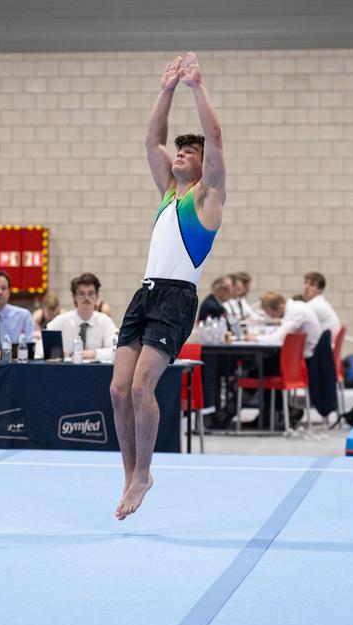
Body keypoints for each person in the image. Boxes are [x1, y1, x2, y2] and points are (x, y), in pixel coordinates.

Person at [110, 52, 225, 520]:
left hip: (177, 297)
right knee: (118, 390)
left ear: (202, 165)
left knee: (142, 388)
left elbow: (215, 138)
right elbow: (151, 139)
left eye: (189, 152)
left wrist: (196, 87)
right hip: (145, 293)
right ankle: (130, 470)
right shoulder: (167, 193)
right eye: (179, 150)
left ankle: (144, 473)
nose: (179, 153)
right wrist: (166, 90)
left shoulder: (207, 196)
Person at [244, 291, 322, 427]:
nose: (272, 318)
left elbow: (277, 338)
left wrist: (255, 338)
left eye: (271, 314)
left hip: (305, 363)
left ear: (280, 307)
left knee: (259, 371)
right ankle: (273, 414)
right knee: (265, 367)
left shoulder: (295, 313)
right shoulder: (296, 307)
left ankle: (271, 414)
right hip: (301, 360)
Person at [46, 272, 117, 361]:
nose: (86, 298)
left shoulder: (105, 322)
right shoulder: (61, 321)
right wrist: (56, 351)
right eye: (81, 293)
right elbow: (41, 347)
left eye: (90, 293)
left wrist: (94, 353)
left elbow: (116, 350)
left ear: (97, 297)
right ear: (74, 296)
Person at [303, 271, 341, 341]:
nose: (306, 287)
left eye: (312, 284)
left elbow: (296, 324)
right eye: (305, 283)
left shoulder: (315, 305)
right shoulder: (319, 302)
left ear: (320, 290)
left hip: (323, 349)